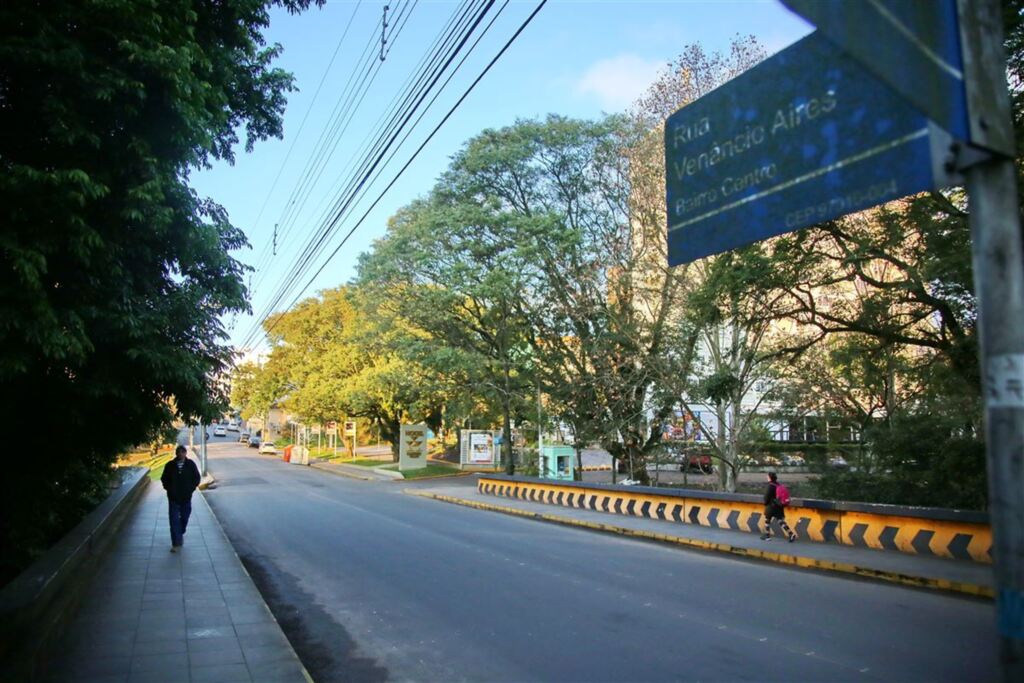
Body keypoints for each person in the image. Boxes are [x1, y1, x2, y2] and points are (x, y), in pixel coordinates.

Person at [160, 445, 201, 552]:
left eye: (182, 452)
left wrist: (191, 489)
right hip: (173, 497)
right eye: (178, 452)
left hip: (186, 497)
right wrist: (169, 489)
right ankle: (176, 543)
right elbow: (164, 478)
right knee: (173, 520)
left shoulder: (190, 464)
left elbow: (197, 478)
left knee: (185, 517)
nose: (180, 454)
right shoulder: (170, 465)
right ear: (176, 453)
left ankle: (180, 531)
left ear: (185, 453)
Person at [760, 471, 796, 542]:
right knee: (780, 521)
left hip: (771, 506)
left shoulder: (770, 486)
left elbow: (767, 497)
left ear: (770, 478)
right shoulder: (778, 485)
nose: (766, 477)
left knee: (767, 520)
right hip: (779, 506)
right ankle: (791, 534)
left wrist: (765, 503)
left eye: (767, 476)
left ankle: (767, 536)